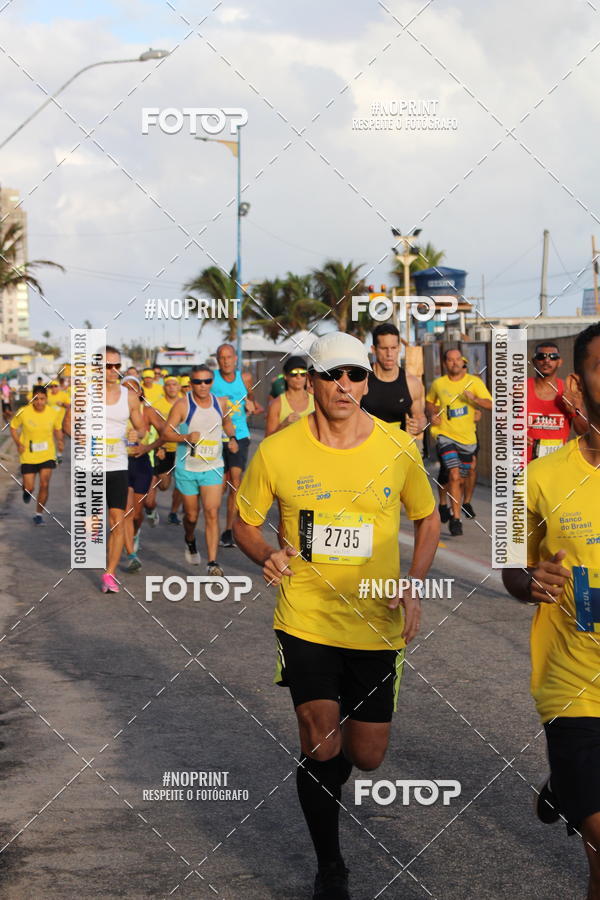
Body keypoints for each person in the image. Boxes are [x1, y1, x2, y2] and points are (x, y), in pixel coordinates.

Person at [233, 331, 440, 900]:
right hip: (307, 617)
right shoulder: (278, 449)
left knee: (365, 755)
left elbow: (427, 518)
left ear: (367, 380)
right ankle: (331, 866)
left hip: (376, 620)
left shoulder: (397, 448)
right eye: (334, 376)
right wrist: (266, 553)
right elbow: (244, 522)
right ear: (312, 380)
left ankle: (325, 779)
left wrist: (413, 583)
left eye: (356, 375)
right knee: (320, 739)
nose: (346, 385)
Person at [502, 322, 600, 900]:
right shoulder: (535, 479)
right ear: (576, 384)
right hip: (574, 685)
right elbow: (510, 567)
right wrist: (528, 580)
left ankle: (566, 787)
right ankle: (572, 780)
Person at [63, 346, 147, 593]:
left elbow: (141, 428)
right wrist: (76, 435)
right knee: (91, 526)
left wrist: (137, 433)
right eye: (107, 366)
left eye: (117, 366)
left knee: (117, 521)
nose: (113, 371)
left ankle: (109, 574)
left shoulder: (129, 397)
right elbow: (66, 423)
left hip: (118, 464)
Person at [164, 364, 238, 575]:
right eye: (197, 382)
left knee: (212, 512)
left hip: (213, 467)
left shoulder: (221, 403)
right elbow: (165, 433)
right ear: (191, 384)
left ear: (212, 382)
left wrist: (232, 438)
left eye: (207, 381)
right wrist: (185, 437)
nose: (202, 386)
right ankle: (189, 539)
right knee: (191, 516)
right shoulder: (182, 405)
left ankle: (212, 562)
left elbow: (227, 423)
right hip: (187, 468)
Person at [425, 348, 493, 536]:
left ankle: (457, 503)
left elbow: (491, 404)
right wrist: (432, 414)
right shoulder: (439, 384)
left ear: (463, 361)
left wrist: (475, 399)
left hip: (468, 439)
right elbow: (430, 401)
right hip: (444, 436)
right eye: (450, 360)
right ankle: (456, 519)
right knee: (454, 475)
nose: (454, 363)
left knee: (464, 475)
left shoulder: (474, 382)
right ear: (445, 363)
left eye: (457, 360)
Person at [212, 343, 257, 548]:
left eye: (229, 357)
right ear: (217, 359)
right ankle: (212, 518)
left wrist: (251, 404)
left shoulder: (245, 378)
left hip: (239, 435)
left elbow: (252, 399)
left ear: (235, 359)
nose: (226, 361)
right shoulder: (211, 379)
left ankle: (228, 530)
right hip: (214, 436)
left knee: (235, 483)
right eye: (222, 357)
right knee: (217, 486)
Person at [121, 376, 164, 572]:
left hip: (141, 464)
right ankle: (131, 555)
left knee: (137, 514)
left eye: (132, 388)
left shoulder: (147, 412)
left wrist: (149, 447)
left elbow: (166, 433)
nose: (129, 391)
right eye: (125, 388)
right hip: (119, 464)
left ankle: (135, 533)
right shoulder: (112, 413)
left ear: (139, 392)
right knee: (127, 511)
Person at [360, 322, 426, 436]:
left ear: (399, 348)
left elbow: (420, 417)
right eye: (384, 348)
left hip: (397, 450)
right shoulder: (361, 379)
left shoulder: (412, 383)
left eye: (393, 348)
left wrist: (420, 425)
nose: (389, 354)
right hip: (367, 449)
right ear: (374, 349)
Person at [10, 385, 63, 525]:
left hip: (47, 455)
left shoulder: (52, 413)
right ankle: (26, 491)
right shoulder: (23, 411)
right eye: (36, 399)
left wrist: (60, 440)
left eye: (42, 399)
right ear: (32, 399)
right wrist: (18, 443)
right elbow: (13, 427)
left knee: (45, 484)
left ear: (46, 399)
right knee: (30, 487)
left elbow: (57, 429)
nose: (39, 402)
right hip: (28, 455)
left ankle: (38, 514)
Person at [527, 341, 587, 463]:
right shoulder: (519, 390)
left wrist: (575, 410)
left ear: (560, 362)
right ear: (534, 361)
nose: (547, 361)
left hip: (555, 464)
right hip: (523, 465)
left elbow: (584, 431)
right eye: (541, 356)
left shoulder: (569, 391)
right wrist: (513, 435)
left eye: (553, 357)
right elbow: (501, 423)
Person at [152, 375, 184, 525]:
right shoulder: (157, 405)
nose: (171, 387)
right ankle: (151, 504)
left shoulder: (185, 403)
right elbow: (153, 429)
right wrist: (159, 446)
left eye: (174, 384)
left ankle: (173, 512)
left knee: (181, 483)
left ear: (179, 387)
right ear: (164, 387)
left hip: (182, 448)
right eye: (169, 385)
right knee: (164, 485)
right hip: (164, 449)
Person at [265, 356, 315, 436]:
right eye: (294, 374)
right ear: (285, 376)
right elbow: (267, 439)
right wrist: (284, 424)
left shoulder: (316, 401)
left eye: (302, 374)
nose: (299, 377)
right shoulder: (277, 404)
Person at [47, 380, 71, 463]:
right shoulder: (47, 395)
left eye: (55, 386)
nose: (53, 388)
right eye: (51, 386)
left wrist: (62, 404)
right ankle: (51, 457)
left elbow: (69, 405)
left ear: (59, 387)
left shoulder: (63, 395)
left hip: (58, 423)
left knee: (60, 441)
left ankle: (59, 455)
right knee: (49, 441)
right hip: (48, 423)